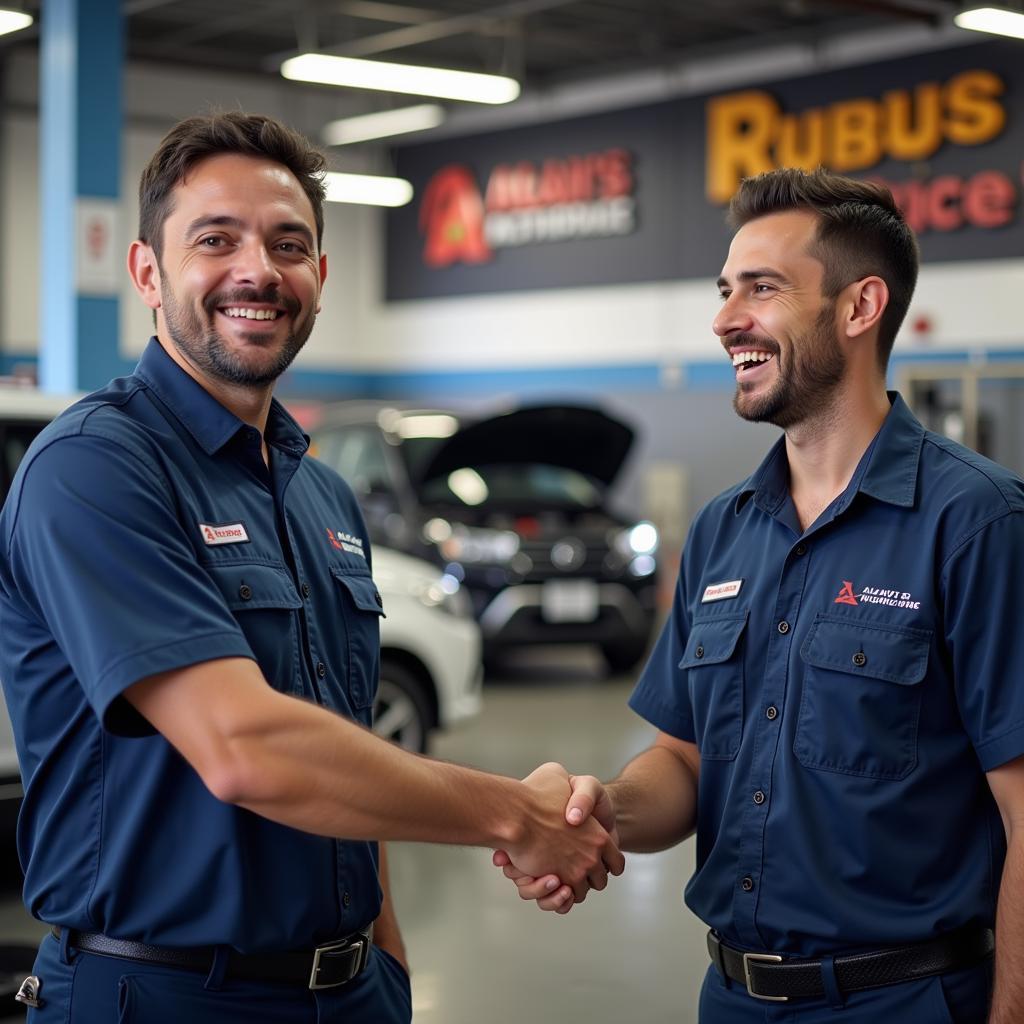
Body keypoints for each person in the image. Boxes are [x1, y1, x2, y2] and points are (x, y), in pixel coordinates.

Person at [0, 111, 622, 1023]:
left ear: (320, 278)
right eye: (216, 239)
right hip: (160, 993)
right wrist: (514, 815)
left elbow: (343, 738)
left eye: (289, 244)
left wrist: (389, 963)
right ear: (146, 271)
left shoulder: (322, 498)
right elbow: (245, 748)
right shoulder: (95, 467)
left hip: (348, 988)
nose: (258, 269)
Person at [498, 167, 1024, 1023]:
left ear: (860, 308)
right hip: (734, 998)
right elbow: (686, 760)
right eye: (724, 290)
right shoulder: (722, 530)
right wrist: (602, 810)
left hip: (909, 1002)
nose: (724, 319)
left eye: (763, 288)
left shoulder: (976, 523)